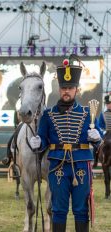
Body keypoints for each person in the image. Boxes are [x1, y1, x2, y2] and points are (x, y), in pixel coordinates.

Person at [30, 56, 102, 232]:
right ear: (59, 89)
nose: (66, 91)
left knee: (81, 210)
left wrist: (97, 138)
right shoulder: (48, 115)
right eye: (63, 88)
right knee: (58, 210)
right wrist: (37, 143)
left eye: (70, 88)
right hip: (57, 166)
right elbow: (42, 144)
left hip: (81, 165)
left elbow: (99, 144)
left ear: (76, 90)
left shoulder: (87, 114)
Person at [94, 94, 111, 167]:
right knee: (96, 145)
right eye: (107, 104)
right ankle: (95, 160)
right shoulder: (102, 114)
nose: (109, 105)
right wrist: (103, 132)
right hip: (106, 133)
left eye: (110, 103)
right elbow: (100, 125)